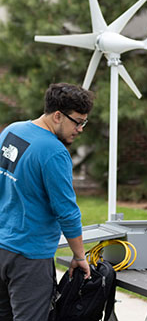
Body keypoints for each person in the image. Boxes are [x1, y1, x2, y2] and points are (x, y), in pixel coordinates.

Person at [0, 82, 94, 321]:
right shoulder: (54, 151)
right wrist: (80, 257)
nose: (81, 129)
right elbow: (67, 211)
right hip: (29, 256)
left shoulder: (11, 131)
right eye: (78, 121)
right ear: (57, 116)